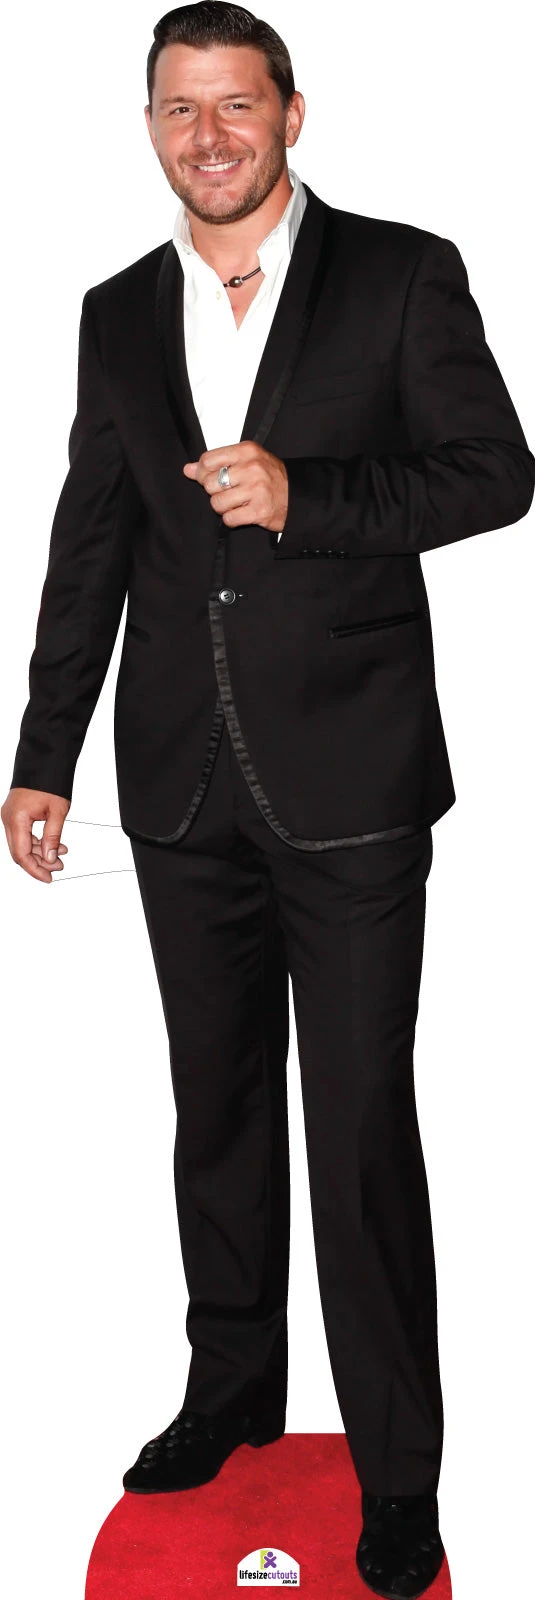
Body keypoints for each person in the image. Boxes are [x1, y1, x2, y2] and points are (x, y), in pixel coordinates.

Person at [2, 4, 534, 1595]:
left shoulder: (400, 272)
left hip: (352, 780)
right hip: (179, 784)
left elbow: (492, 472)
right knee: (216, 1110)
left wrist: (312, 499)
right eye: (180, 108)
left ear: (292, 115)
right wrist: (43, 751)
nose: (209, 135)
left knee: (357, 1130)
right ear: (149, 127)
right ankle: (232, 1385)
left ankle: (398, 1471)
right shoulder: (116, 310)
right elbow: (91, 540)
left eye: (236, 104)